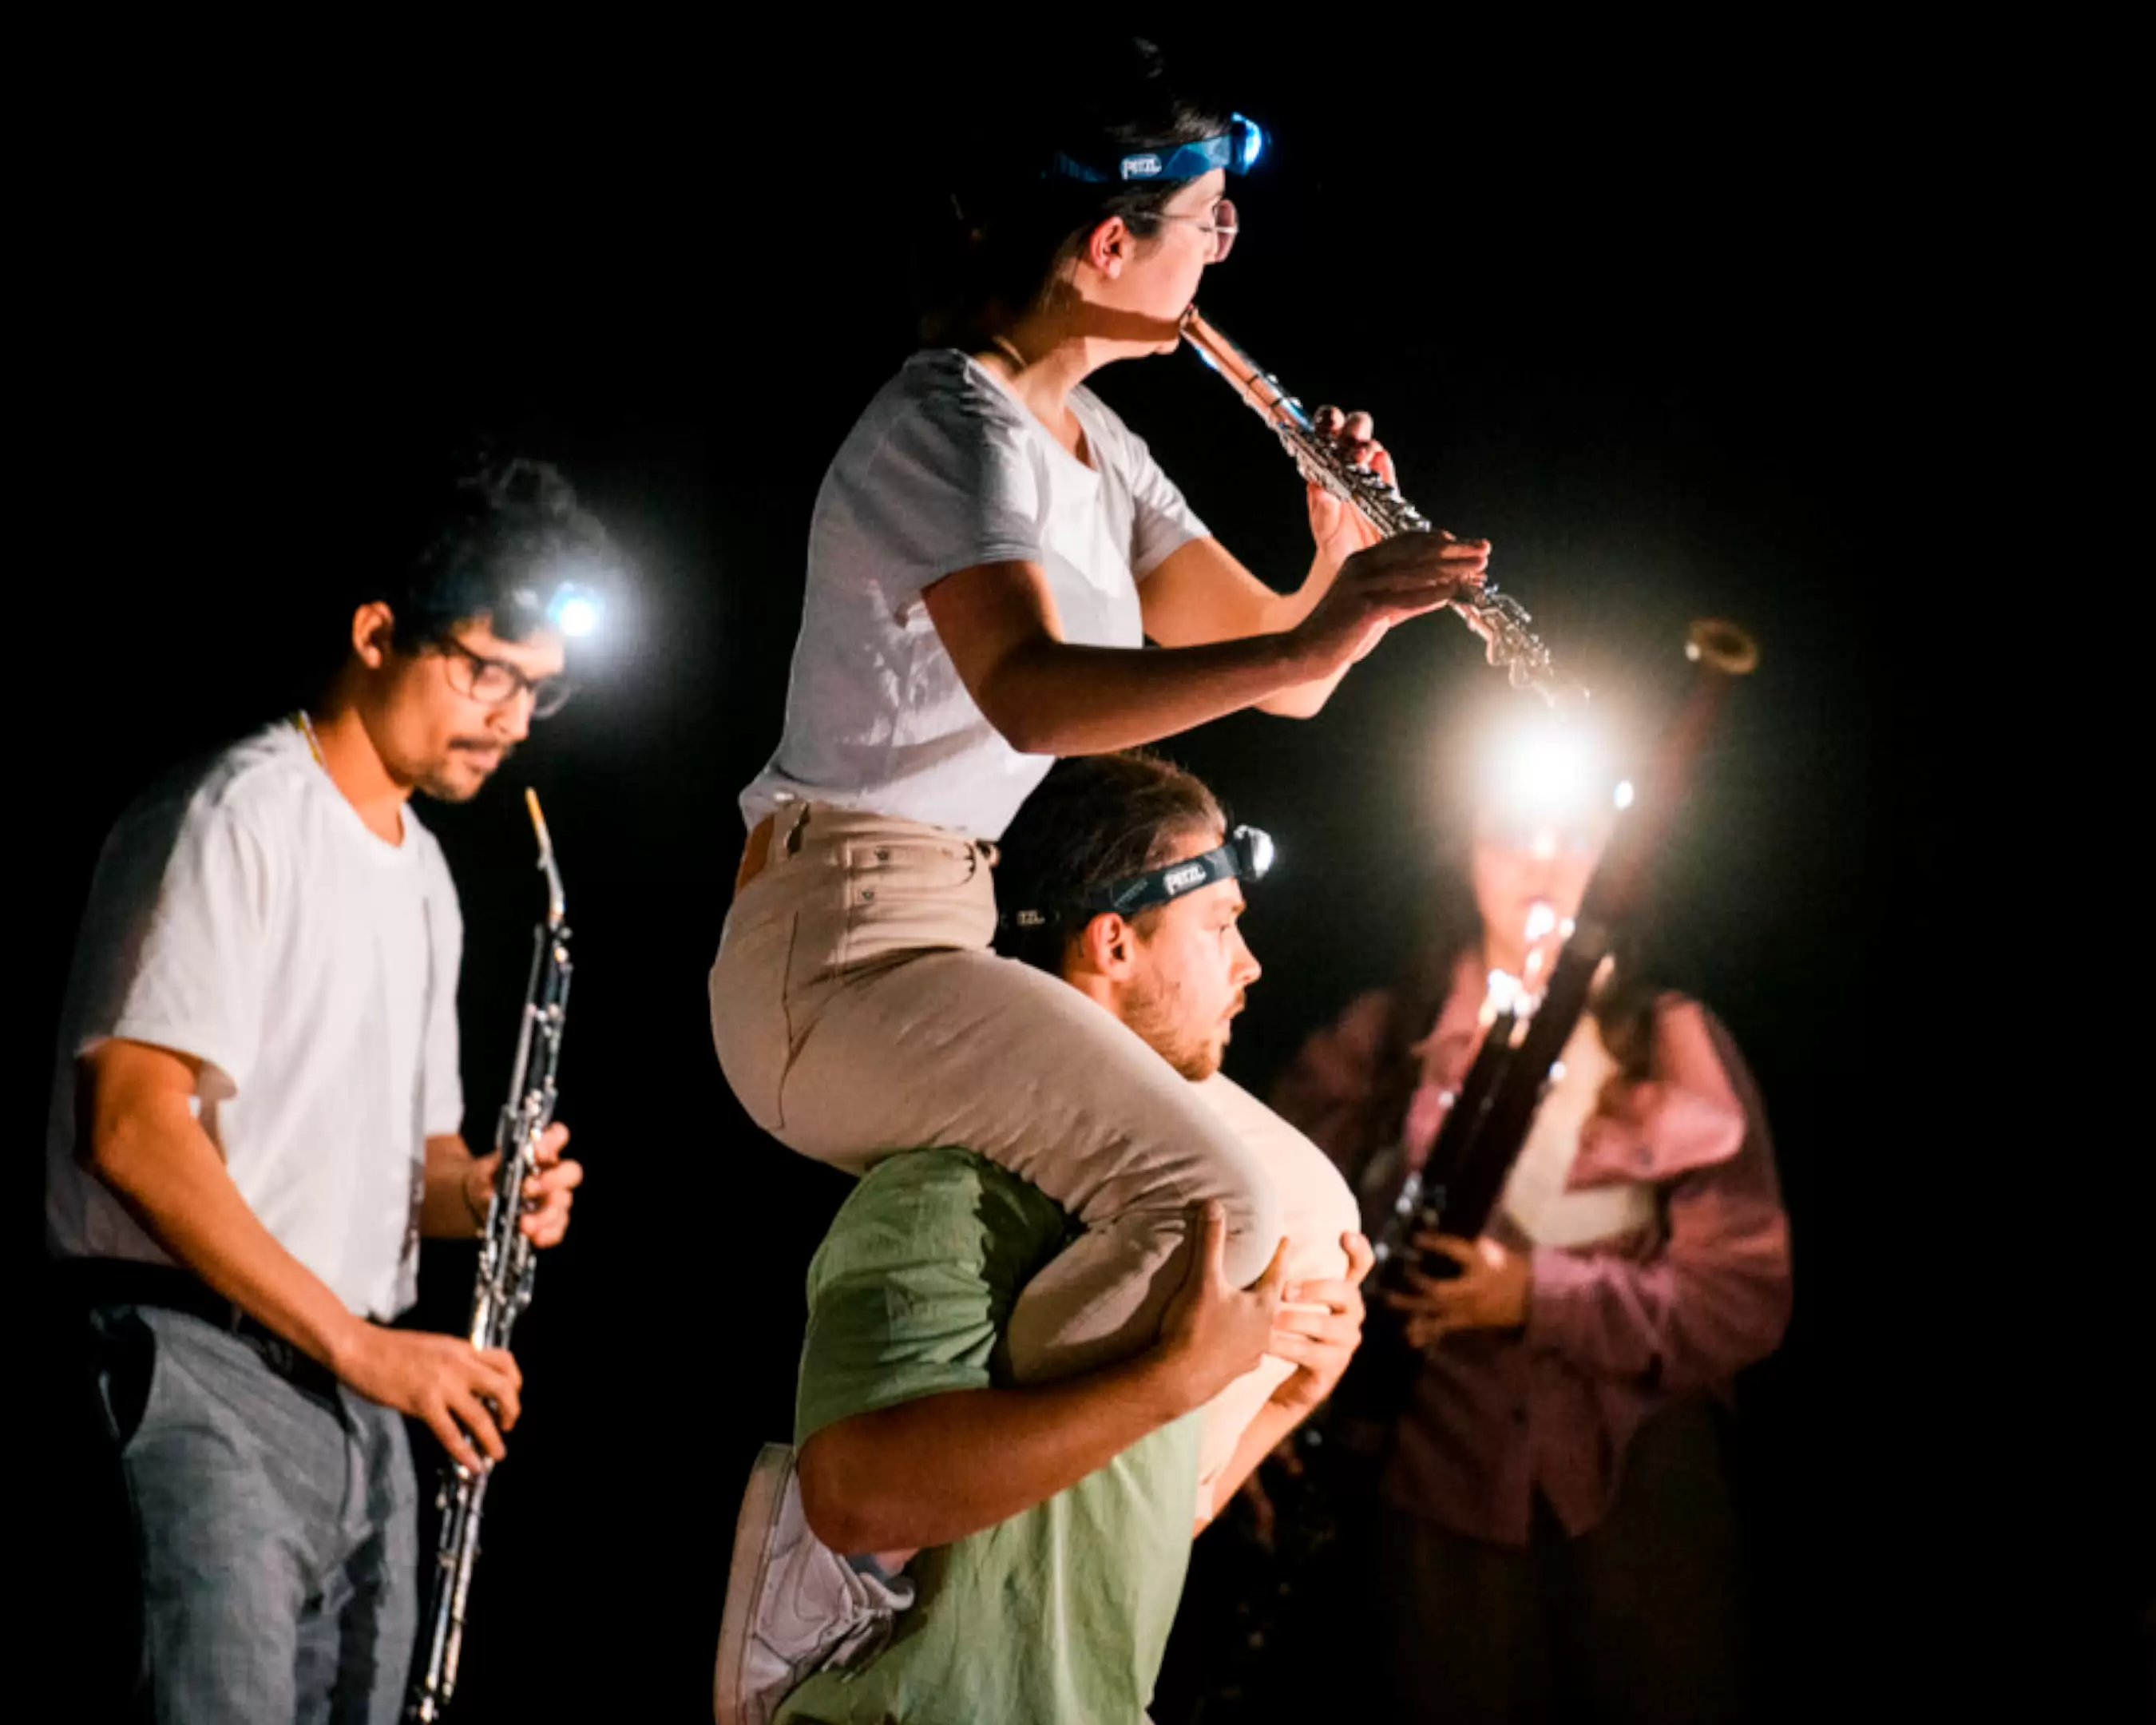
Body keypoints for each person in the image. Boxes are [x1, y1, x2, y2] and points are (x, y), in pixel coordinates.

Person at [707, 38, 1487, 1414]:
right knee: (1221, 1207)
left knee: (1310, 1224)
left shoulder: (1094, 444)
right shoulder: (945, 424)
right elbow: (1035, 691)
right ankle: (937, 1513)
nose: (1223, 256)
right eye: (1207, 223)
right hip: (828, 953)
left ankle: (1100, 1564)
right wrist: (1319, 627)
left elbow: (1289, 677)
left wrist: (1334, 560)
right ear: (1112, 244)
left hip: (942, 926)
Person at [44, 456, 612, 1723]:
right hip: (203, 1373)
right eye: (486, 671)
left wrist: (489, 1192)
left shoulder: (427, 877)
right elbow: (131, 1127)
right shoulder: (236, 813)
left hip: (363, 1409)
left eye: (539, 690)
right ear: (376, 634)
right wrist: (365, 1345)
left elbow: (409, 1169)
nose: (514, 716)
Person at [715, 751, 1372, 1725]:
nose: (1250, 964)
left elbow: (1103, 1534)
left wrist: (1285, 1398)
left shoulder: (1160, 1229)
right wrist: (1169, 1382)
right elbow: (854, 1497)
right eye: (1222, 925)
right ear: (1113, 944)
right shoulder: (950, 1192)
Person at [1270, 714, 1794, 1724]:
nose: (1544, 867)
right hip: (1437, 1485)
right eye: (1512, 835)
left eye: (1574, 839)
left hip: (1637, 1485)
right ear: (1462, 852)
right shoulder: (1385, 1041)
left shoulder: (1670, 1040)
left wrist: (1535, 1296)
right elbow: (1276, 1235)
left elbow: (1745, 1297)